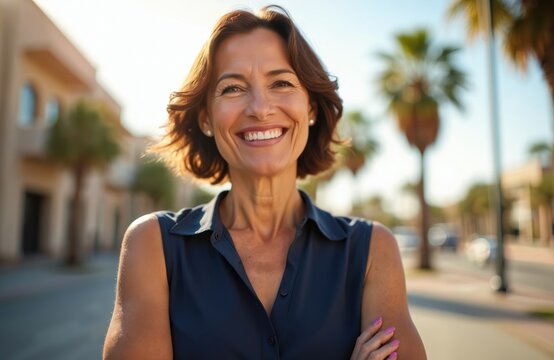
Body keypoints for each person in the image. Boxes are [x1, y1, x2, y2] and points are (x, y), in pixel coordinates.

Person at [103, 5, 426, 360]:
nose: (260, 107)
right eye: (233, 88)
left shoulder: (371, 250)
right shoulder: (153, 245)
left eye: (281, 83)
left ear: (311, 108)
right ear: (206, 118)